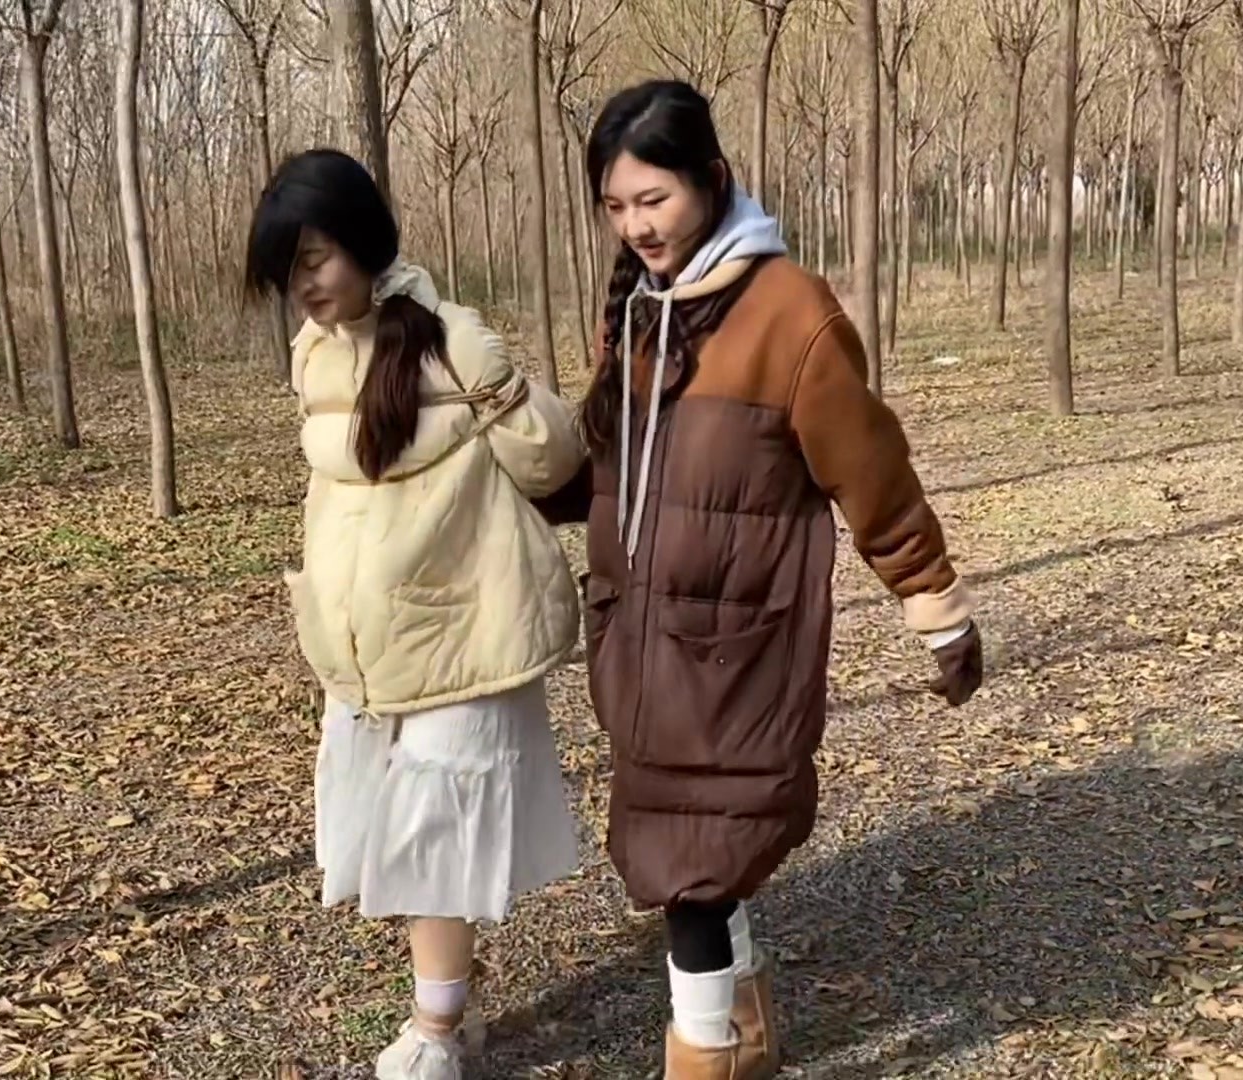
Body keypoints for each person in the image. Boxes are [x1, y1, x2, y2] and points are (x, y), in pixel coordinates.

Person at [541, 80, 987, 1078]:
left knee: (691, 870)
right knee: (698, 857)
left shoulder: (792, 314)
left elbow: (871, 474)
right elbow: (608, 467)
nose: (635, 225)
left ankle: (704, 1055)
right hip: (640, 647)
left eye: (653, 199)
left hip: (736, 651)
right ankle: (743, 1038)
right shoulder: (638, 312)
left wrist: (935, 604)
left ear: (712, 180)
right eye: (615, 206)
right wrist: (515, 462)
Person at [245, 148, 587, 1080]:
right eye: (287, 269)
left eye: (315, 258)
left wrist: (503, 389)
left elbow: (551, 461)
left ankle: (436, 1034)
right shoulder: (313, 352)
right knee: (396, 833)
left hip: (459, 627)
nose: (303, 284)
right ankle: (449, 1016)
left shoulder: (453, 339)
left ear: (365, 240)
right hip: (366, 638)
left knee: (434, 837)